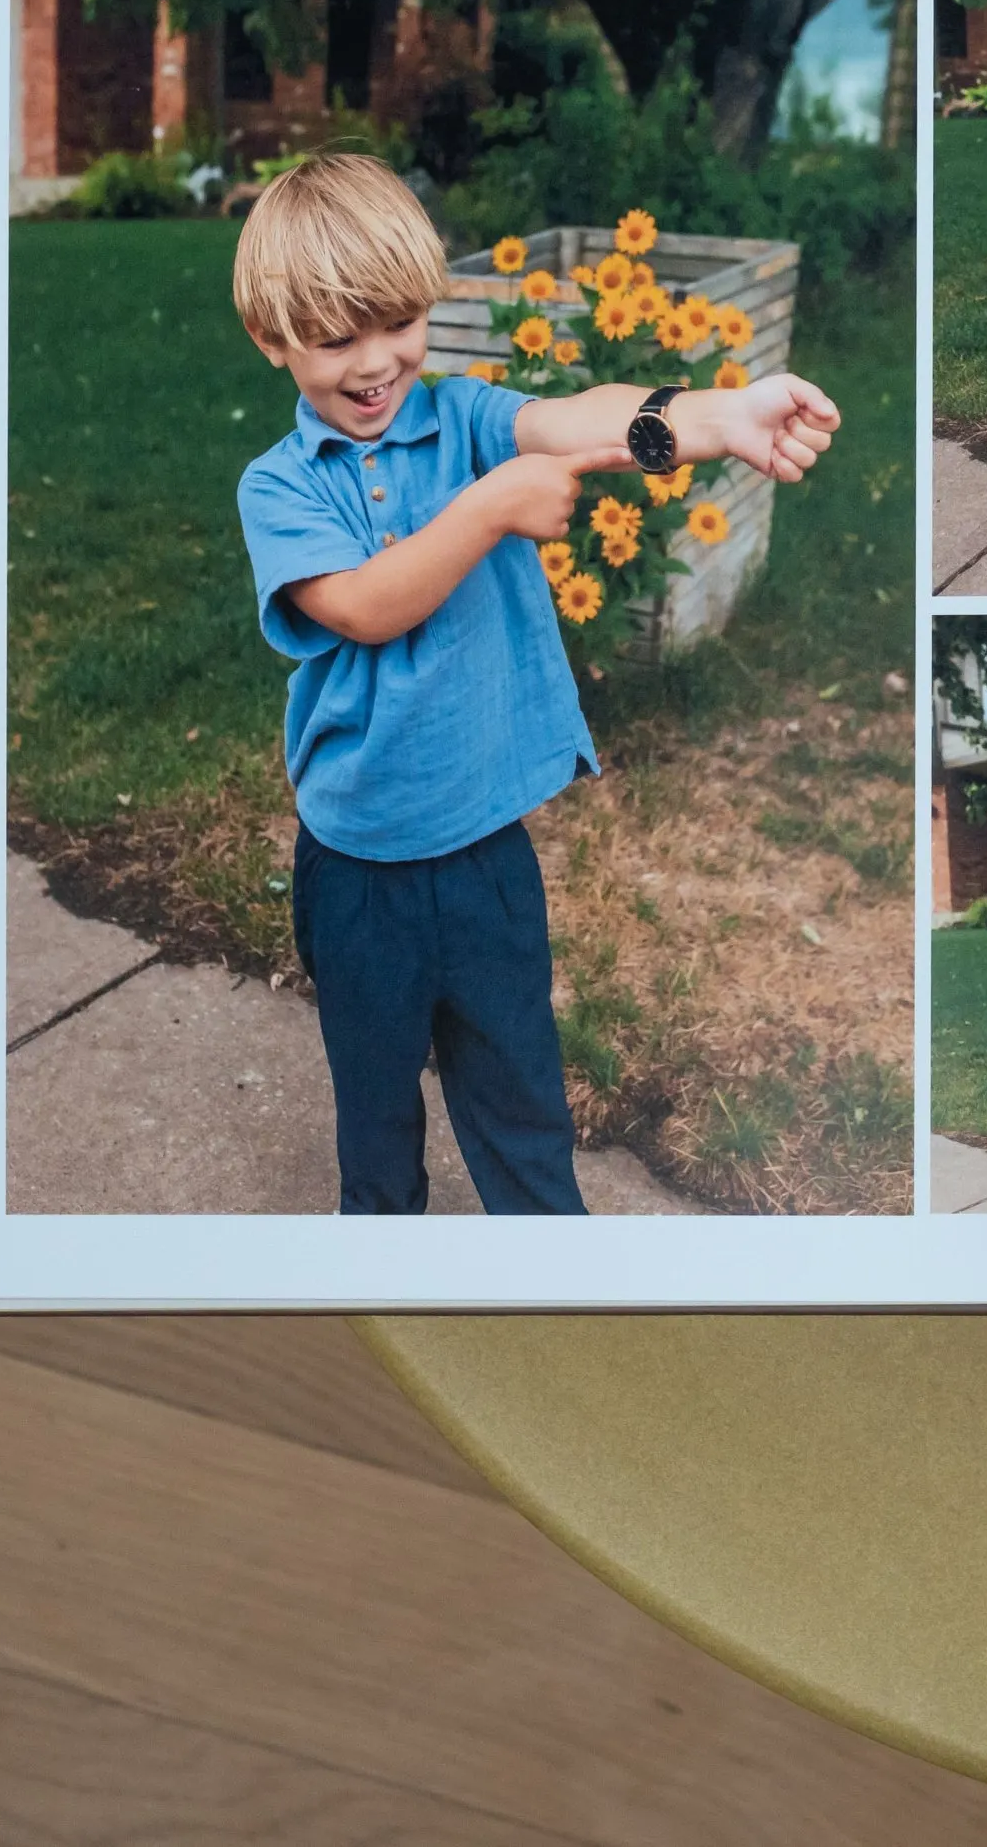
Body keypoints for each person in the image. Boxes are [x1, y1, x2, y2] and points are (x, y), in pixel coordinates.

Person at [230, 153, 839, 1214]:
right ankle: (386, 1276)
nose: (377, 364)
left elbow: (584, 421)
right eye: (336, 339)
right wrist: (491, 508)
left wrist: (713, 415)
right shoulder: (278, 488)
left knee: (521, 1109)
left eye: (398, 325)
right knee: (374, 1122)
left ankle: (561, 1291)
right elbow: (368, 605)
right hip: (358, 871)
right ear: (272, 341)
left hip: (485, 861)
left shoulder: (463, 420)